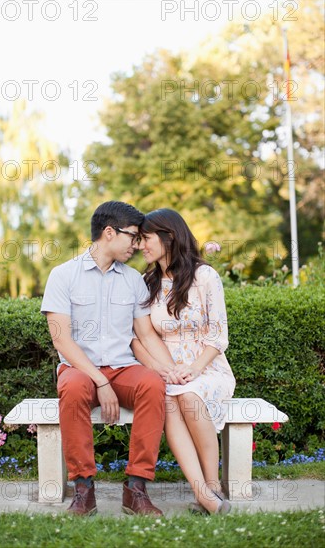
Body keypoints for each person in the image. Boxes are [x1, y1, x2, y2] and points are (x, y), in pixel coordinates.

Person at [41, 201, 180, 516]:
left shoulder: (132, 280)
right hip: (80, 370)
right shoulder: (63, 276)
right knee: (74, 388)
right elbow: (61, 338)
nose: (136, 244)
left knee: (152, 384)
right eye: (132, 236)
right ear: (108, 232)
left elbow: (145, 335)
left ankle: (136, 487)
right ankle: (83, 489)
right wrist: (99, 380)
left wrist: (172, 370)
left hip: (123, 369)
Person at [132, 209, 236, 515]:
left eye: (146, 238)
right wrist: (163, 370)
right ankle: (203, 494)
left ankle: (213, 485)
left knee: (189, 395)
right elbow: (137, 339)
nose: (141, 246)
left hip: (207, 367)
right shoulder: (146, 282)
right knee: (168, 399)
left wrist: (193, 369)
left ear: (169, 236)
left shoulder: (205, 277)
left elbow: (218, 337)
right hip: (166, 369)